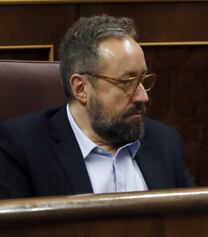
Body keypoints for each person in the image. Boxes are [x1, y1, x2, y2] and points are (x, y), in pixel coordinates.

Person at [0, 15, 194, 199]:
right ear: (81, 88)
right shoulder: (21, 148)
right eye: (127, 81)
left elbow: (192, 223)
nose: (143, 96)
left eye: (142, 79)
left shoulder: (164, 142)